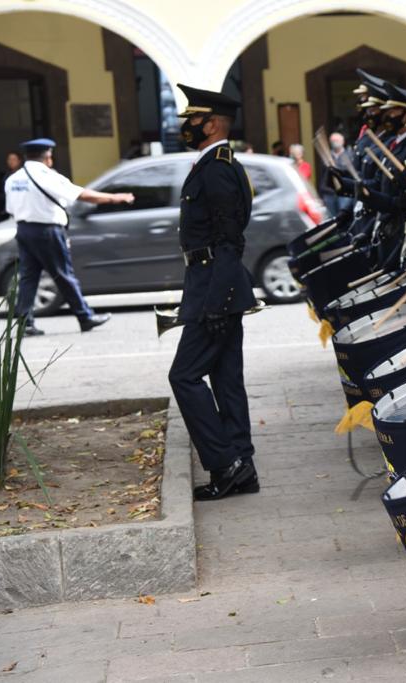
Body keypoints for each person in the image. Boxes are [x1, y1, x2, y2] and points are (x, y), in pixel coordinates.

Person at [168, 84, 258, 502]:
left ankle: (226, 463)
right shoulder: (215, 164)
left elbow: (228, 240)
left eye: (193, 119)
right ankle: (242, 468)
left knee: (184, 376)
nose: (186, 126)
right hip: (213, 283)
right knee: (225, 378)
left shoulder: (218, 169)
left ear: (212, 124)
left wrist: (218, 301)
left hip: (215, 286)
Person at [3, 138, 128, 335]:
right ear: (47, 156)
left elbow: (10, 209)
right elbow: (81, 194)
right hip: (47, 231)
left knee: (28, 277)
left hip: (24, 231)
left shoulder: (13, 180)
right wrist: (115, 198)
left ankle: (25, 323)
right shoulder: (47, 176)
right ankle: (85, 317)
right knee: (63, 274)